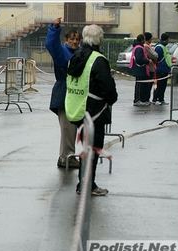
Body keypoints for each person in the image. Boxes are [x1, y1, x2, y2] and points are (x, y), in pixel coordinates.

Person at [66, 24, 118, 196]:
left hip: (77, 109)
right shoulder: (98, 59)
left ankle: (84, 183)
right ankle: (87, 185)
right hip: (94, 112)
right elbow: (107, 88)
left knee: (84, 150)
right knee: (93, 150)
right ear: (100, 39)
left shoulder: (76, 56)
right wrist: (112, 99)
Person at [45, 17, 81, 169]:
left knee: (71, 129)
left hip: (77, 96)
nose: (74, 42)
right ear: (66, 40)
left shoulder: (80, 53)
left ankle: (65, 156)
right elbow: (51, 44)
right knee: (67, 128)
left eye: (77, 40)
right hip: (64, 94)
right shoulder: (61, 53)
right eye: (71, 39)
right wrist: (54, 29)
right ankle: (67, 157)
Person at [129, 34, 151, 106]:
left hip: (140, 69)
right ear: (142, 40)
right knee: (139, 85)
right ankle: (137, 100)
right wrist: (147, 61)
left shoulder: (138, 47)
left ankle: (141, 99)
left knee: (141, 85)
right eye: (144, 39)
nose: (145, 41)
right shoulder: (139, 48)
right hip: (140, 69)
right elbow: (139, 59)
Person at [153, 33, 172, 105]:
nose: (169, 40)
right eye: (168, 39)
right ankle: (157, 99)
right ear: (166, 39)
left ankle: (161, 98)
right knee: (160, 85)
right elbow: (157, 58)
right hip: (161, 69)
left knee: (163, 85)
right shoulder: (159, 47)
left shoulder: (163, 46)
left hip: (164, 68)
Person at [143, 32, 158, 104]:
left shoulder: (148, 46)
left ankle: (147, 99)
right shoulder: (146, 46)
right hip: (150, 68)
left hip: (152, 67)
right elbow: (154, 55)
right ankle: (146, 99)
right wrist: (154, 53)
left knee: (149, 85)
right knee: (148, 85)